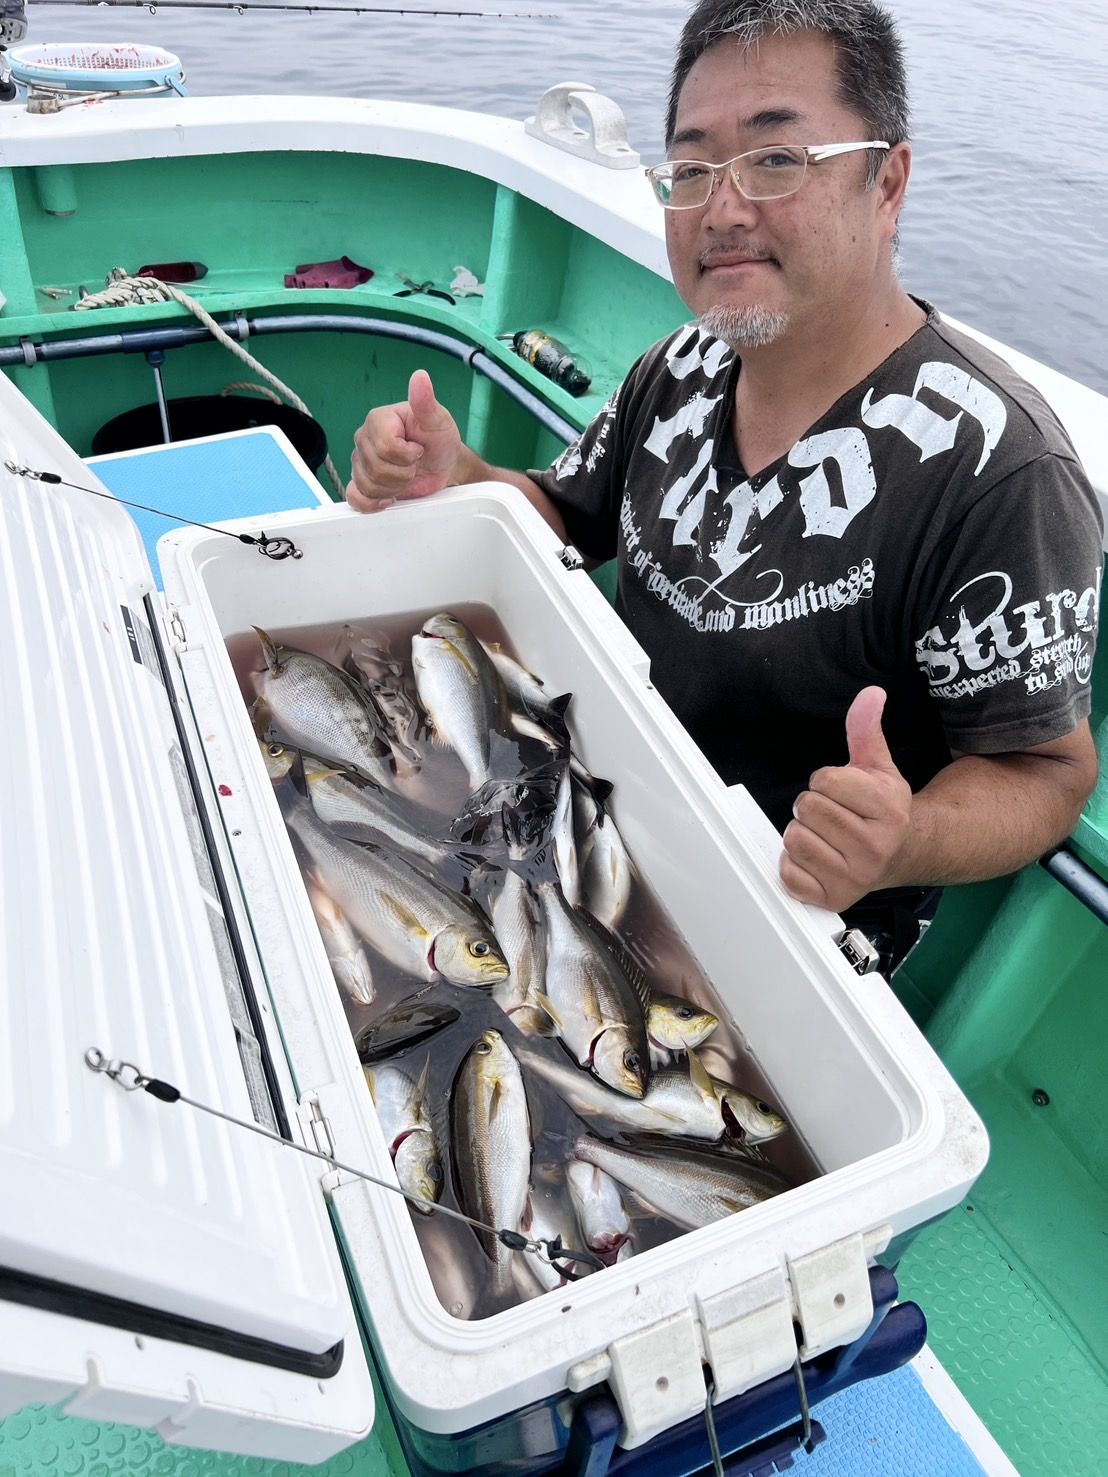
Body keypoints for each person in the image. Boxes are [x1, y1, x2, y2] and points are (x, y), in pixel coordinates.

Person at [346, 0, 1102, 972]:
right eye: (692, 169)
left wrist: (902, 837)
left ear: (886, 183)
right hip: (593, 808)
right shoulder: (681, 365)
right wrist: (457, 476)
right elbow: (561, 515)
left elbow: (1046, 769)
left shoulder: (999, 472)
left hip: (788, 913)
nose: (723, 208)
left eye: (776, 159)